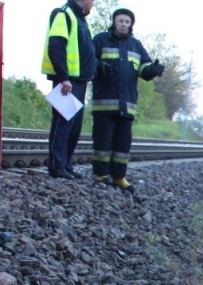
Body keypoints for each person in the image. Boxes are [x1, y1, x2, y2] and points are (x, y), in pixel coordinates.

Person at [90, 7, 165, 192]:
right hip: (104, 103)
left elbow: (143, 68)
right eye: (120, 20)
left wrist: (152, 70)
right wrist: (99, 65)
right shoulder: (100, 40)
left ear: (131, 24)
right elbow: (88, 60)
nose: (123, 24)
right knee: (103, 141)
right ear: (114, 22)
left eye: (127, 21)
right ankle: (100, 174)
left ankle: (119, 176)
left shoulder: (136, 45)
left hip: (127, 105)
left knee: (123, 144)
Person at [42, 0, 96, 180]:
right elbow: (56, 46)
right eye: (93, 1)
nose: (93, 5)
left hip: (79, 80)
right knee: (63, 123)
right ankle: (57, 166)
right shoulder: (64, 14)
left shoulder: (79, 18)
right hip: (67, 80)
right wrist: (63, 77)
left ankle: (66, 164)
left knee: (74, 126)